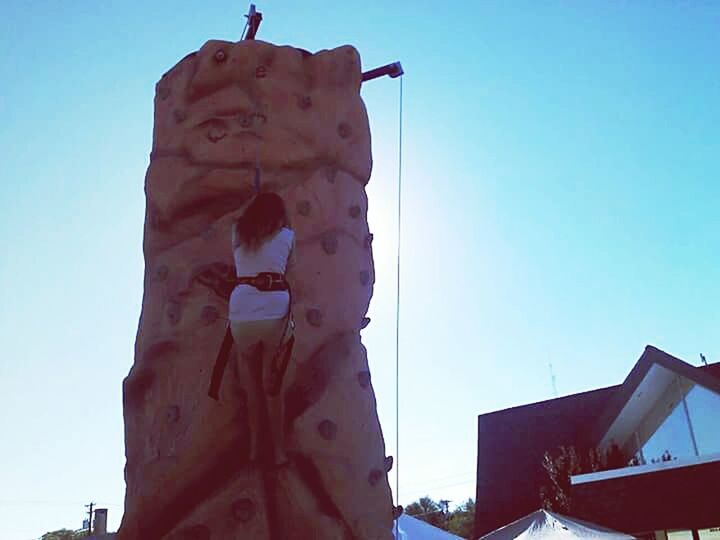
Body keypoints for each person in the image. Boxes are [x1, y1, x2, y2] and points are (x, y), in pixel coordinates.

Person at [229, 192, 294, 466]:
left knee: (251, 387)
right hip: (275, 310)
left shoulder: (237, 232)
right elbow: (292, 271)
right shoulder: (287, 236)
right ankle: (278, 453)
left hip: (242, 310)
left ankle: (255, 450)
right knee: (272, 387)